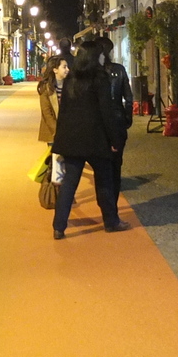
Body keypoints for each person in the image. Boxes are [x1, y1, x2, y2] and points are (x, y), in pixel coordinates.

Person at [50, 41, 128, 239]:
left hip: (72, 138)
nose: (103, 57)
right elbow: (106, 111)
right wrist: (114, 139)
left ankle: (59, 226)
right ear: (95, 57)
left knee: (69, 183)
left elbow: (64, 110)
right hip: (96, 138)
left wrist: (60, 139)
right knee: (104, 181)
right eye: (100, 54)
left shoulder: (71, 79)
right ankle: (111, 221)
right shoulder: (99, 78)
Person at [96, 35, 133, 198]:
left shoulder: (93, 72)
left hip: (99, 124)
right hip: (117, 120)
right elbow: (129, 97)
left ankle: (105, 201)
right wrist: (127, 117)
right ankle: (113, 198)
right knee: (116, 163)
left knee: (101, 165)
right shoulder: (119, 69)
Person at [37, 55, 70, 143]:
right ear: (55, 70)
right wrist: (57, 132)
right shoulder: (46, 88)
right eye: (64, 67)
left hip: (69, 130)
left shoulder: (70, 86)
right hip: (53, 132)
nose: (67, 70)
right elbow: (46, 112)